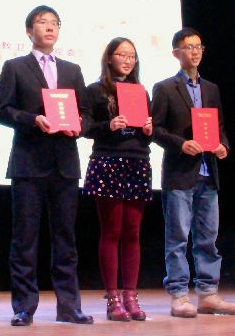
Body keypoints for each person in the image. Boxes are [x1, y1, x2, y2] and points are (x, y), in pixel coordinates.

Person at [0, 5, 93, 326]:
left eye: (54, 23)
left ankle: (69, 306)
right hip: (28, 162)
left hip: (65, 163)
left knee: (66, 238)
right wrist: (32, 119)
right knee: (25, 238)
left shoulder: (72, 70)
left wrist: (80, 125)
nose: (49, 28)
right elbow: (3, 109)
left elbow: (86, 114)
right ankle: (24, 306)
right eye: (42, 22)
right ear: (29, 31)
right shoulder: (15, 66)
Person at [151, 27, 235, 318]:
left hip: (208, 172)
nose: (195, 52)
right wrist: (181, 144)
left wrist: (223, 145)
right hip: (180, 173)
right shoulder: (165, 88)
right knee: (177, 237)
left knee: (208, 237)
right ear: (176, 53)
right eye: (188, 47)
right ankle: (179, 295)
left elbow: (219, 126)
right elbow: (156, 130)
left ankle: (208, 293)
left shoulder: (211, 89)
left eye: (199, 46)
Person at [82, 37, 153, 321]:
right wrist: (108, 125)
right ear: (110, 58)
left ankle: (131, 296)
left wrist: (149, 129)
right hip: (108, 160)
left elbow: (149, 133)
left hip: (137, 161)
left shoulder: (141, 92)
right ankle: (112, 298)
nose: (127, 60)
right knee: (111, 231)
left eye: (132, 56)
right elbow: (85, 127)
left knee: (133, 233)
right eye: (122, 54)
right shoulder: (95, 90)